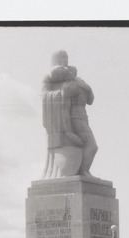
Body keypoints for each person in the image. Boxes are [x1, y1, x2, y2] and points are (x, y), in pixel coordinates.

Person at [41, 50, 98, 178]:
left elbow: (91, 100)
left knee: (90, 146)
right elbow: (57, 73)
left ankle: (84, 171)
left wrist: (84, 86)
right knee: (92, 146)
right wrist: (68, 132)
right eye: (61, 58)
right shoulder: (61, 80)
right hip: (75, 119)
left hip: (83, 118)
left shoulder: (77, 81)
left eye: (66, 58)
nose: (64, 61)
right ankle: (83, 171)